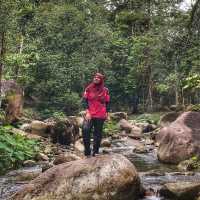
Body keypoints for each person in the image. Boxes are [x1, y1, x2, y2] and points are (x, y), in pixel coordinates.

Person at [82, 73, 110, 157]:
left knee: (97, 133)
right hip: (90, 113)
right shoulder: (88, 89)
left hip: (100, 114)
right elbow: (85, 101)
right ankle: (87, 151)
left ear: (101, 80)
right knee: (85, 130)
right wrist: (87, 112)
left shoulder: (105, 90)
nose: (96, 78)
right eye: (95, 77)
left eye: (98, 78)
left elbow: (108, 102)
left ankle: (96, 152)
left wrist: (107, 113)